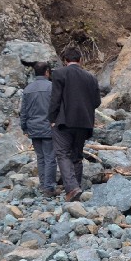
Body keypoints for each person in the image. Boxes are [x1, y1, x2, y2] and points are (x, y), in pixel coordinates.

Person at [49, 45, 101, 201]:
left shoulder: (59, 73)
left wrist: (51, 119)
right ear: (81, 60)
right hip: (85, 123)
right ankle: (76, 188)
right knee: (77, 155)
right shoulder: (91, 77)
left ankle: (72, 188)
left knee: (62, 153)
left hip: (64, 121)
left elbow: (55, 99)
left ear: (65, 61)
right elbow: (97, 102)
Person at [19, 62, 57, 197]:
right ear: (47, 72)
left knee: (40, 157)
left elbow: (23, 111)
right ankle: (49, 187)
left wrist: (24, 127)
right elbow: (57, 107)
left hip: (33, 128)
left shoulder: (28, 89)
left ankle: (43, 185)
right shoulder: (52, 87)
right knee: (50, 158)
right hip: (48, 127)